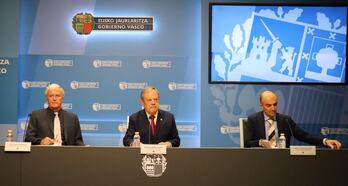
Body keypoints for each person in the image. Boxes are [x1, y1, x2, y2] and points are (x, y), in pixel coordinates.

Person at [245, 90, 341, 149]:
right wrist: (261, 142)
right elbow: (247, 143)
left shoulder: (285, 120)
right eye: (268, 105)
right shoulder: (253, 119)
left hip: (283, 160)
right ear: (261, 105)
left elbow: (304, 136)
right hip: (261, 160)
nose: (273, 108)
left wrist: (325, 141)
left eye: (275, 104)